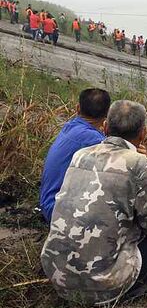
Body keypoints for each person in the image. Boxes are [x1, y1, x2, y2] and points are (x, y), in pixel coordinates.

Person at [40, 100, 147, 305]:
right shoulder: (139, 164)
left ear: (106, 127)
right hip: (100, 288)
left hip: (54, 271)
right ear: (142, 133)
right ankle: (132, 293)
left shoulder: (80, 155)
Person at [39, 89, 111, 223]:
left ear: (78, 108)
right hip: (56, 211)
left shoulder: (71, 126)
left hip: (48, 202)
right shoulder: (93, 139)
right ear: (106, 115)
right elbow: (121, 165)